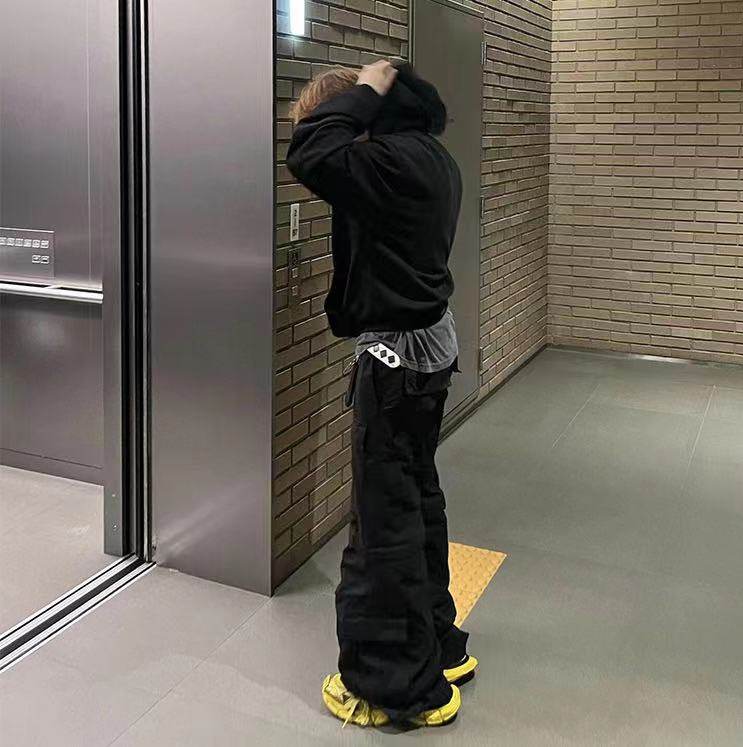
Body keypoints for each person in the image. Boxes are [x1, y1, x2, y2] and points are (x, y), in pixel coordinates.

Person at [286, 59, 475, 729]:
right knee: (416, 501)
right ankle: (440, 646)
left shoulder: (389, 161)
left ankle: (397, 687)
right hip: (426, 356)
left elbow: (310, 153)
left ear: (364, 115)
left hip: (395, 365)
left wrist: (365, 88)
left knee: (382, 526)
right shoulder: (426, 156)